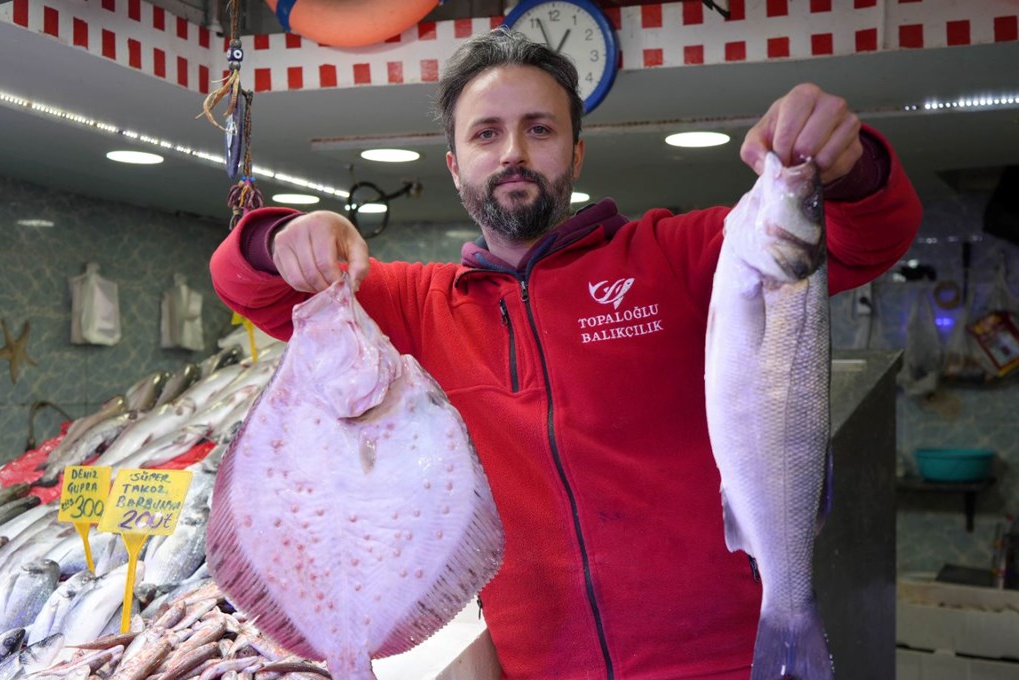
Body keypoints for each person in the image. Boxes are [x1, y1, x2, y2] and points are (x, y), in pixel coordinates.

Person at [210, 28, 921, 680]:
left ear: (576, 154)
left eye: (539, 129)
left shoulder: (678, 254)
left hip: (723, 661)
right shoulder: (412, 306)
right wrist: (279, 239)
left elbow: (869, 239)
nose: (513, 151)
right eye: (487, 134)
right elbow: (255, 292)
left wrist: (850, 167)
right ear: (456, 167)